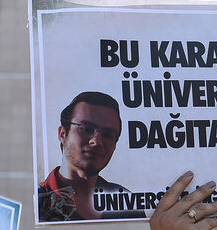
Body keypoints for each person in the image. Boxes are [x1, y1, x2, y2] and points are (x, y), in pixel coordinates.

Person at [38, 91, 142, 221]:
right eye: (86, 129)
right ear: (63, 134)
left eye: (108, 134)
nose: (96, 142)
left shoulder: (126, 202)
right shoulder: (37, 204)